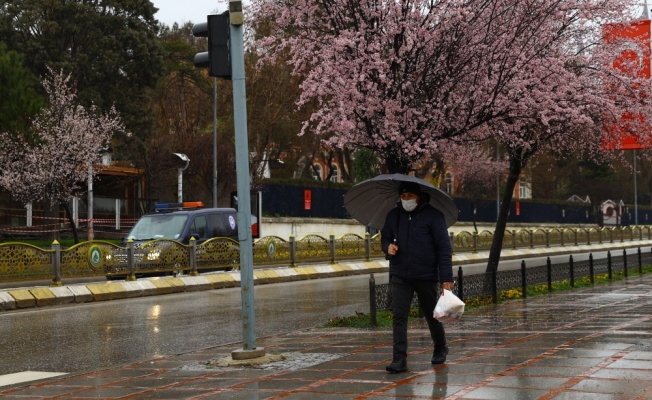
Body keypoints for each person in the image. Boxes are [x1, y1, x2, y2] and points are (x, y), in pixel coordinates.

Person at [381, 181, 454, 373]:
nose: (406, 200)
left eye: (409, 196)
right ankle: (399, 358)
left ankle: (440, 346)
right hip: (400, 275)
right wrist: (387, 248)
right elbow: (385, 237)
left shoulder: (434, 216)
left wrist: (447, 277)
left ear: (418, 197)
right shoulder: (394, 216)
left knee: (433, 315)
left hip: (426, 275)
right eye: (403, 197)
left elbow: (443, 248)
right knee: (399, 316)